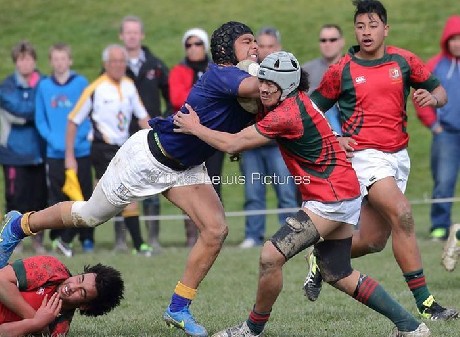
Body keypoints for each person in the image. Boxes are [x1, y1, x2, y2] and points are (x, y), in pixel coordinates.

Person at [0, 21, 260, 337]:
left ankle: (178, 308)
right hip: (149, 157)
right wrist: (278, 72)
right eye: (247, 42)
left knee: (216, 229)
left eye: (257, 42)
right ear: (226, 48)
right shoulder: (226, 73)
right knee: (88, 216)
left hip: (187, 166)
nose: (255, 47)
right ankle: (20, 225)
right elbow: (255, 89)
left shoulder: (249, 76)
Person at [173, 51, 431, 337]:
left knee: (271, 256)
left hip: (330, 198)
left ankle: (251, 329)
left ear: (288, 86)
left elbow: (234, 145)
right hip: (342, 191)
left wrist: (195, 127)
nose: (264, 88)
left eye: (272, 83)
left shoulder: (286, 113)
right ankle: (411, 326)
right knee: (338, 273)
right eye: (263, 81)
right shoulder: (291, 102)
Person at [302, 0, 458, 321]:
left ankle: (322, 259)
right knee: (402, 212)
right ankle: (428, 305)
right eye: (360, 26)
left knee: (373, 241)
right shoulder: (342, 69)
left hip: (398, 157)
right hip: (364, 157)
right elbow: (310, 110)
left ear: (385, 29)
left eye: (373, 25)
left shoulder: (403, 60)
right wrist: (334, 139)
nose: (367, 31)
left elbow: (440, 91)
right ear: (355, 30)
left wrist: (433, 98)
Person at [66, 44, 152, 256]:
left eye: (122, 61)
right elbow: (72, 120)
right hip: (102, 148)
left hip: (123, 148)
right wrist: (70, 155)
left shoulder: (130, 86)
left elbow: (142, 117)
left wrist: (158, 137)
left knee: (102, 199)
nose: (118, 65)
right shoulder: (95, 89)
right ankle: (139, 244)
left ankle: (64, 239)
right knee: (122, 192)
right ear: (105, 64)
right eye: (114, 61)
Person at [238, 26, 298, 248]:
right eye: (260, 46)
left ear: (278, 48)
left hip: (278, 144)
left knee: (286, 192)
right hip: (252, 143)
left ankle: (291, 236)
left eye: (270, 46)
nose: (265, 50)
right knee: (253, 192)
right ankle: (253, 236)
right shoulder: (247, 73)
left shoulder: (287, 74)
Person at [35, 42, 95, 257]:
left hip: (80, 152)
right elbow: (40, 120)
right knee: (58, 197)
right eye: (56, 59)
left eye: (63, 58)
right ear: (51, 62)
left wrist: (74, 140)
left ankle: (87, 238)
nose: (60, 63)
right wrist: (55, 140)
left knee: (84, 195)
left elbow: (88, 117)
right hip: (54, 152)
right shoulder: (44, 87)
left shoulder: (81, 84)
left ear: (70, 60)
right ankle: (58, 238)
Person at [119, 15, 171, 251]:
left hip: (150, 136)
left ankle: (154, 238)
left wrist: (164, 122)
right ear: (121, 36)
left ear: (142, 35)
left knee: (152, 186)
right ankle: (121, 240)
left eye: (135, 32)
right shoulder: (114, 64)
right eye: (127, 32)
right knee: (121, 186)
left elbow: (171, 98)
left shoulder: (156, 65)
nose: (131, 36)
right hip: (121, 136)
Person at [169, 27, 225, 247]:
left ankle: (215, 228)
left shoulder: (217, 69)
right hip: (188, 136)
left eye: (198, 44)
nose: (193, 48)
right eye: (189, 45)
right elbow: (177, 98)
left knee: (214, 180)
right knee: (189, 182)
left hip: (213, 133)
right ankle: (192, 233)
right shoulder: (178, 71)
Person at [412, 15, 460, 241]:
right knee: (444, 179)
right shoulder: (435, 65)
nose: (457, 43)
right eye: (453, 39)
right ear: (446, 41)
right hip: (446, 134)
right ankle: (440, 226)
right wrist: (434, 125)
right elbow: (419, 94)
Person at [0, 255, 124, 336]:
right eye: (79, 279)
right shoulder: (50, 268)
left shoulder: (59, 328)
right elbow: (1, 279)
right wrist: (34, 318)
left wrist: (34, 324)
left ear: (84, 306)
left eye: (82, 292)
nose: (72, 287)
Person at [0, 40, 47, 254]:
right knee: (15, 199)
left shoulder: (44, 83)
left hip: (39, 152)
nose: (25, 63)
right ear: (16, 62)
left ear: (34, 60)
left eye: (28, 58)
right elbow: (21, 110)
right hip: (13, 154)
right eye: (21, 59)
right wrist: (37, 111)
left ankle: (38, 242)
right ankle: (13, 241)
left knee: (40, 199)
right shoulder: (7, 87)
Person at [302, 23, 345, 134]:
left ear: (342, 42)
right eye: (323, 40)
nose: (327, 44)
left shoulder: (353, 68)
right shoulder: (305, 71)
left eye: (332, 40)